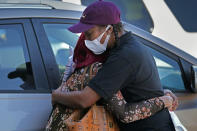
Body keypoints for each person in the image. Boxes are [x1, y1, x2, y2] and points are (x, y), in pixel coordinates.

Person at [52, 0, 178, 130]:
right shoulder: (131, 47)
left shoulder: (123, 56)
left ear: (109, 29)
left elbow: (85, 99)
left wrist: (56, 95)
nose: (86, 40)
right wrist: (163, 96)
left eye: (89, 34)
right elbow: (139, 89)